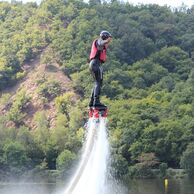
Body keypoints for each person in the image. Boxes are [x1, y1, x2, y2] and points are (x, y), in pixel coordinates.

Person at [89, 30, 112, 108]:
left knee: (97, 83)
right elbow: (101, 43)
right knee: (98, 82)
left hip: (94, 64)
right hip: (96, 63)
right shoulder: (99, 41)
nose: (109, 41)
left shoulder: (101, 44)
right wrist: (106, 41)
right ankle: (96, 101)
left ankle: (92, 102)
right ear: (104, 37)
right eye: (108, 38)